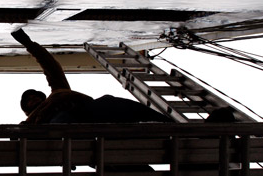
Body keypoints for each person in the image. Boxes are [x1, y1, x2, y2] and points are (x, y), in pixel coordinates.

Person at [12, 28, 172, 124]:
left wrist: (28, 43)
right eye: (28, 100)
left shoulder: (58, 92)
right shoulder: (31, 121)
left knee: (109, 101)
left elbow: (50, 66)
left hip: (89, 110)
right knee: (62, 123)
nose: (32, 99)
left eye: (33, 96)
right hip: (64, 128)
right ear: (26, 109)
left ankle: (168, 125)